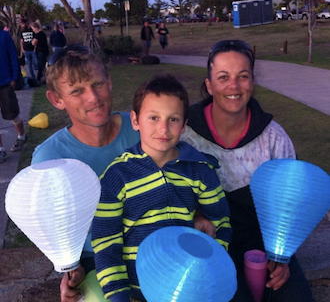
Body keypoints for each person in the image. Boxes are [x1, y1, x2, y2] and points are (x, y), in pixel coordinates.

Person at [32, 47, 216, 302]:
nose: (93, 98)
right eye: (77, 91)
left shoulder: (146, 126)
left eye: (97, 84)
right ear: (56, 99)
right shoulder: (49, 159)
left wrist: (197, 214)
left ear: (109, 81)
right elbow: (58, 228)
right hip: (95, 257)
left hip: (163, 246)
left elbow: (182, 173)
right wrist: (72, 269)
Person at [180, 40, 314, 302]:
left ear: (252, 81)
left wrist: (281, 256)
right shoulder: (185, 133)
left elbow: (289, 203)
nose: (234, 86)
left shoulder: (274, 137)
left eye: (243, 76)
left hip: (263, 242)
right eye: (223, 77)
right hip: (208, 242)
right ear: (209, 85)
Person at [92, 75, 231, 302]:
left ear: (184, 124)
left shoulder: (201, 171)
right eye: (154, 117)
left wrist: (209, 268)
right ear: (135, 121)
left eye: (173, 119)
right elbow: (106, 241)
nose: (163, 128)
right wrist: (117, 295)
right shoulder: (116, 177)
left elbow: (221, 223)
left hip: (188, 288)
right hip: (136, 292)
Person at [0, 29, 28, 162]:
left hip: (5, 83)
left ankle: (22, 137)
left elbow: (13, 57)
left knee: (12, 115)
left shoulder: (4, 36)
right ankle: (1, 150)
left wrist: (14, 79)